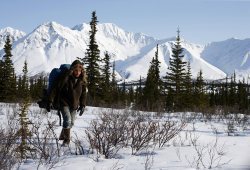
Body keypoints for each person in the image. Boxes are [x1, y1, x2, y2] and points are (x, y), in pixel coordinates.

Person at [48, 60, 87, 146]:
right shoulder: (66, 78)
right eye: (76, 70)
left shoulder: (82, 81)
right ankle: (66, 141)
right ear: (72, 70)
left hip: (74, 105)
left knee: (71, 123)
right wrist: (50, 100)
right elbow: (55, 88)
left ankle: (62, 135)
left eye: (79, 71)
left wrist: (83, 105)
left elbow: (84, 94)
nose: (78, 73)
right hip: (64, 102)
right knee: (67, 120)